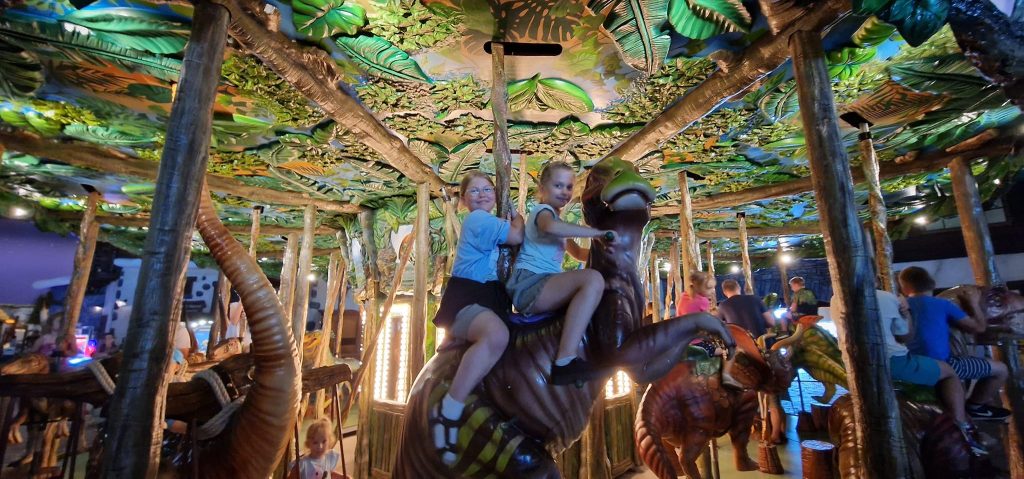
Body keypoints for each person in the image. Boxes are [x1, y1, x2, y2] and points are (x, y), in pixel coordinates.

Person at [432, 171, 524, 464]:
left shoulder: (488, 223)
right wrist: (518, 218)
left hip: (492, 298)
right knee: (496, 335)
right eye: (474, 191)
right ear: (463, 200)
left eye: (487, 189)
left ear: (495, 195)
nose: (482, 194)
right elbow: (517, 236)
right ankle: (449, 408)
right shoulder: (477, 220)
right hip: (469, 297)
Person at [832, 288, 988, 455]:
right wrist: (906, 313)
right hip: (893, 363)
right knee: (950, 372)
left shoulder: (837, 297)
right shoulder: (890, 298)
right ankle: (963, 428)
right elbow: (906, 336)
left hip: (852, 364)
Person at [506, 161, 615, 385]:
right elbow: (550, 227)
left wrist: (611, 253)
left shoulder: (559, 222)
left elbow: (579, 254)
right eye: (558, 185)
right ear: (542, 189)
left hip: (545, 282)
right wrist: (596, 233)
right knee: (592, 280)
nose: (564, 191)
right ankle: (565, 361)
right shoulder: (543, 213)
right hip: (530, 283)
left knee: (598, 283)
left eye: (568, 187)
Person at [898, 267, 1010, 422]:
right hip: (944, 364)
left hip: (909, 365)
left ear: (905, 288)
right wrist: (973, 303)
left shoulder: (900, 306)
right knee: (1001, 369)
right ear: (931, 283)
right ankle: (976, 407)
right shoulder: (942, 304)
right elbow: (978, 328)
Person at [718, 279, 782, 441]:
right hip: (763, 348)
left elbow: (721, 329)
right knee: (772, 393)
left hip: (743, 354)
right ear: (739, 288)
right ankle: (776, 433)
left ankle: (753, 427)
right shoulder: (755, 299)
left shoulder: (723, 306)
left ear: (724, 291)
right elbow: (771, 321)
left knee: (745, 391)